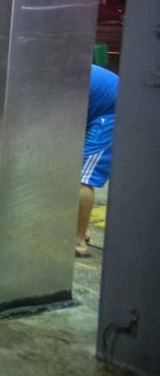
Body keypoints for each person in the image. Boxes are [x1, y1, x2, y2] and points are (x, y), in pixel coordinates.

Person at [76, 64, 117, 258]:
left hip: (110, 112)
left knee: (83, 178)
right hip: (96, 106)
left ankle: (78, 240)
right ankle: (76, 227)